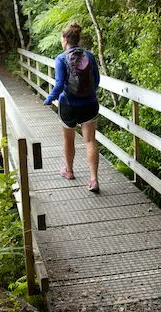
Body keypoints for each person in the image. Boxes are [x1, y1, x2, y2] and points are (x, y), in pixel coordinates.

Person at [43, 22, 100, 193]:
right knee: (90, 141)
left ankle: (69, 171)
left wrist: (49, 99)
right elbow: (96, 80)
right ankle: (94, 179)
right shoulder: (89, 56)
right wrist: (88, 94)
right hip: (90, 104)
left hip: (68, 105)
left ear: (66, 40)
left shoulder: (61, 58)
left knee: (69, 139)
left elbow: (60, 84)